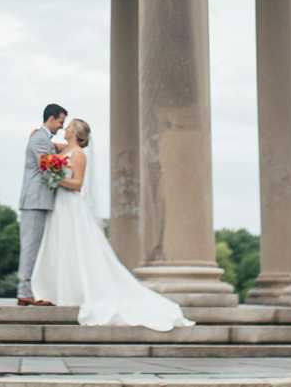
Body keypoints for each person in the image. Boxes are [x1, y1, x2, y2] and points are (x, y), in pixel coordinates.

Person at [30, 118, 193, 330]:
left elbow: (77, 184)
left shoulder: (78, 155)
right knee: (61, 246)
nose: (66, 128)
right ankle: (58, 290)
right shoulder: (63, 150)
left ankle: (77, 291)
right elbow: (46, 146)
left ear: (76, 133)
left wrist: (54, 178)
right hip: (59, 206)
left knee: (75, 246)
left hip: (70, 205)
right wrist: (39, 137)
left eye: (69, 127)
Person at [16, 102, 67, 305]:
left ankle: (34, 290)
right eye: (61, 122)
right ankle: (24, 292)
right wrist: (70, 168)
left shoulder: (43, 138)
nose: (62, 127)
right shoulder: (39, 139)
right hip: (35, 201)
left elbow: (54, 151)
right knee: (30, 247)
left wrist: (73, 148)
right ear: (51, 118)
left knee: (38, 248)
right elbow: (48, 169)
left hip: (41, 200)